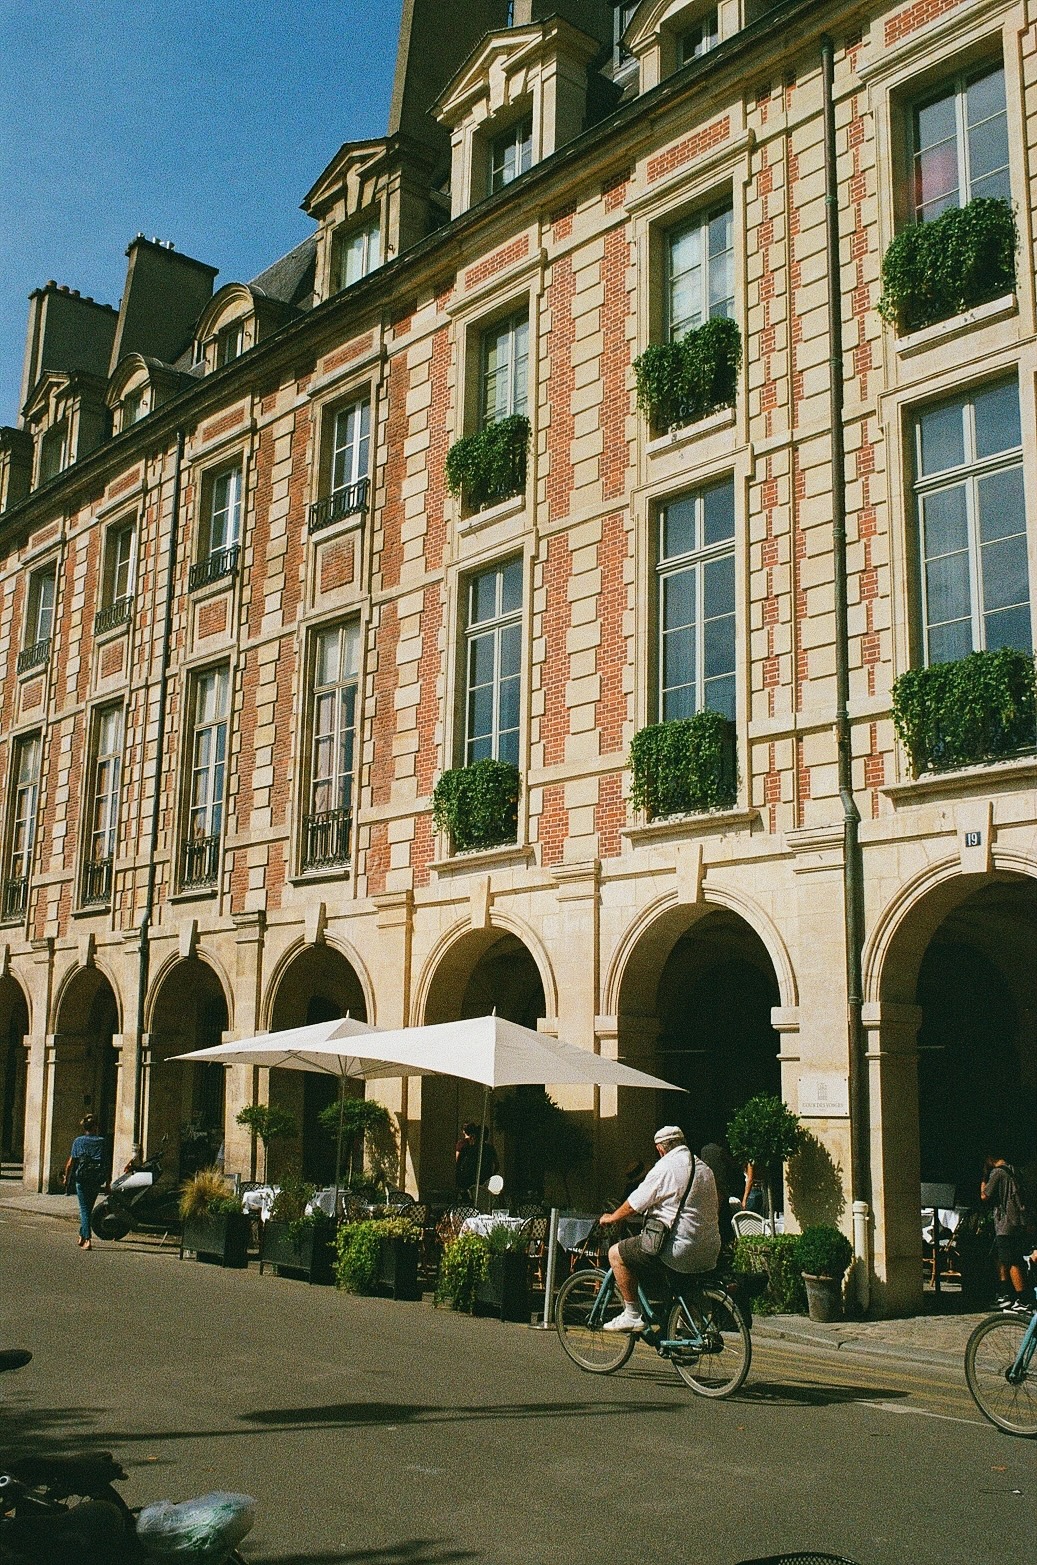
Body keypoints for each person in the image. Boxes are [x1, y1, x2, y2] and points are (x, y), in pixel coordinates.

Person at [599, 1125, 721, 1332]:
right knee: (681, 1285)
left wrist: (612, 1217)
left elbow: (634, 1204)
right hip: (709, 1249)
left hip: (678, 1248)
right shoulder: (703, 1168)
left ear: (660, 1149)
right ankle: (684, 1331)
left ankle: (632, 1315)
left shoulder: (666, 1167)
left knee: (616, 1254)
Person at [981, 1152, 1035, 1315]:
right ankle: (1006, 1295)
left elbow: (984, 1196)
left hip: (1006, 1224)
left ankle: (1022, 1299)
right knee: (1001, 1257)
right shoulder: (1014, 1170)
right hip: (1018, 1221)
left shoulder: (997, 1173)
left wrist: (984, 1178)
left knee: (1012, 1260)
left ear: (990, 1158)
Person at [62, 1114, 107, 1250]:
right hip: (95, 1180)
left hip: (81, 1179)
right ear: (95, 1127)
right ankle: (82, 1235)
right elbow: (106, 1163)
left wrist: (66, 1177)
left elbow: (71, 1162)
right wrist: (108, 1183)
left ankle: (87, 1239)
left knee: (84, 1210)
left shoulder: (78, 1141)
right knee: (88, 1209)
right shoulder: (102, 1141)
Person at [455, 1121, 497, 1196]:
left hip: (471, 1179)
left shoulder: (468, 1148)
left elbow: (458, 1163)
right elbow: (497, 1165)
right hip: (481, 1179)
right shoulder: (489, 1149)